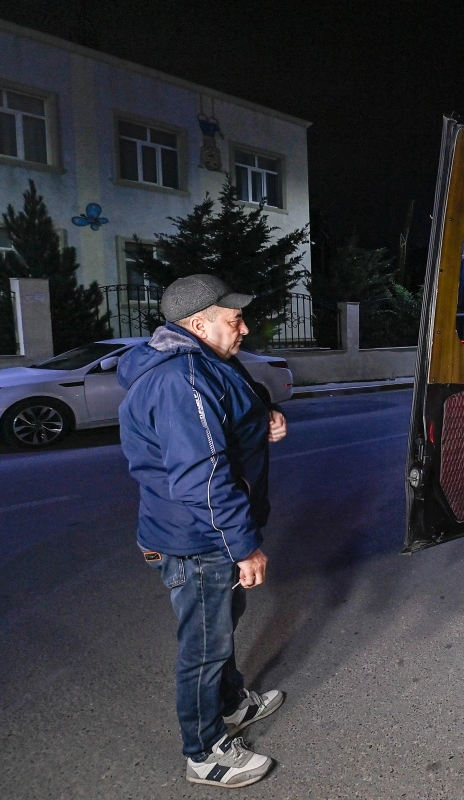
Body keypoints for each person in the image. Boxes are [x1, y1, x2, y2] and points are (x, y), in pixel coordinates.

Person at [118, 274, 287, 788]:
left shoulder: (209, 362)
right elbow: (202, 477)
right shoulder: (182, 379)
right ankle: (204, 752)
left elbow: (238, 401)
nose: (245, 328)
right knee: (205, 646)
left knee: (221, 625)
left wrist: (266, 417)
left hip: (204, 535)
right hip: (199, 541)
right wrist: (244, 546)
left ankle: (232, 704)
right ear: (198, 324)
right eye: (234, 320)